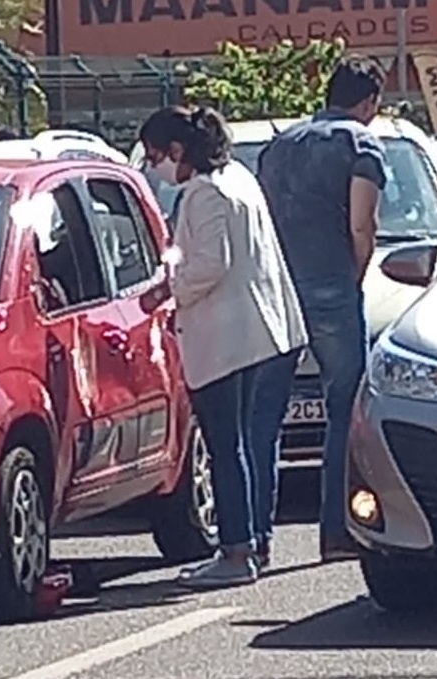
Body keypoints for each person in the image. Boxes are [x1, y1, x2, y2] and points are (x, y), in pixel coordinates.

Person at [138, 106, 307, 589]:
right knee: (254, 446)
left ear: (178, 151)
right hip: (265, 332)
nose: (156, 169)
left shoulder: (205, 193)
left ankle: (235, 551)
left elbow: (210, 264)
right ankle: (255, 540)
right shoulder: (239, 179)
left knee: (226, 448)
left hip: (230, 338)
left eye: (156, 158)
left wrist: (167, 289)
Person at [257, 56, 387, 561]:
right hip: (331, 280)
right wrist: (351, 276)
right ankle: (337, 532)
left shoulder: (278, 147)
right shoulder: (361, 144)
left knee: (263, 413)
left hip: (278, 289)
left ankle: (254, 539)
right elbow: (362, 224)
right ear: (369, 102)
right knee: (345, 408)